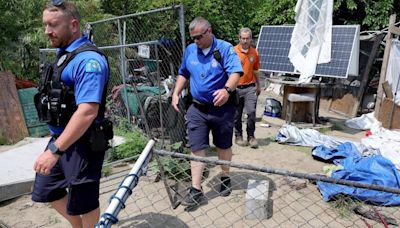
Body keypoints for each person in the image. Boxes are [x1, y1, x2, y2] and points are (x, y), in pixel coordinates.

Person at [32, 1, 109, 227]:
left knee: (84, 200)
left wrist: (55, 151)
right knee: (46, 188)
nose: (47, 31)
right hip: (62, 138)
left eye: (53, 25)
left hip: (83, 142)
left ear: (73, 25)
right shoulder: (65, 54)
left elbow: (87, 112)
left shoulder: (88, 61)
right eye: (45, 25)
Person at [171, 17, 243, 206]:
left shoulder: (225, 49)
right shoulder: (190, 50)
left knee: (223, 145)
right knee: (196, 147)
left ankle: (225, 177)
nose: (196, 41)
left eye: (199, 37)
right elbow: (183, 73)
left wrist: (227, 90)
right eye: (193, 38)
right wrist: (176, 93)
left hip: (222, 109)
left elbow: (236, 72)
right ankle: (196, 189)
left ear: (209, 31)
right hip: (197, 108)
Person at [234, 28, 261, 149]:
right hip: (236, 88)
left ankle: (251, 136)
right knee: (236, 114)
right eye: (242, 38)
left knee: (251, 112)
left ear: (250, 39)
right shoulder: (233, 52)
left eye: (247, 38)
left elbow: (256, 70)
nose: (245, 41)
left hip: (250, 87)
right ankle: (238, 136)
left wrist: (259, 85)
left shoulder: (254, 53)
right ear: (239, 38)